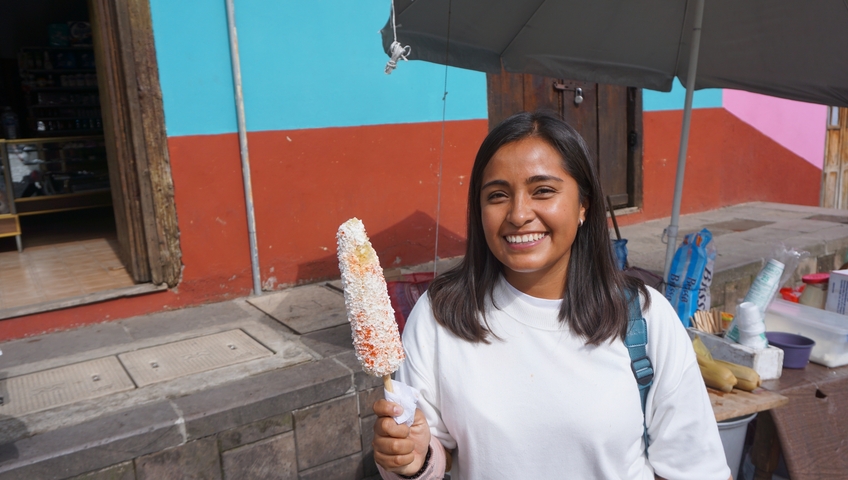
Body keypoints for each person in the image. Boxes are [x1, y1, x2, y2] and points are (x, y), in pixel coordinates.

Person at [372, 111, 731, 480]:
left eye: (543, 190)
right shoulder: (441, 315)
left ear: (583, 205)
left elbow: (696, 469)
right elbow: (431, 451)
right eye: (497, 195)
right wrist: (413, 459)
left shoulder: (643, 317)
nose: (518, 214)